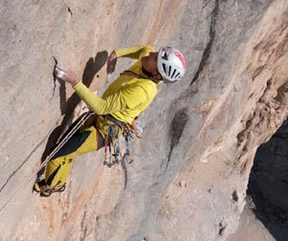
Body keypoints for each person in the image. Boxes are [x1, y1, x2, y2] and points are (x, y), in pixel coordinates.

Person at [34, 45, 186, 196]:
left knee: (57, 156)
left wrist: (75, 81)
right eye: (156, 53)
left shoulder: (142, 91)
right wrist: (116, 54)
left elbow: (102, 107)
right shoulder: (148, 62)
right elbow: (143, 50)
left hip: (104, 131)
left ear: (157, 74)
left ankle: (51, 186)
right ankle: (59, 182)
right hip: (99, 118)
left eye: (155, 57)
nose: (151, 54)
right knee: (66, 149)